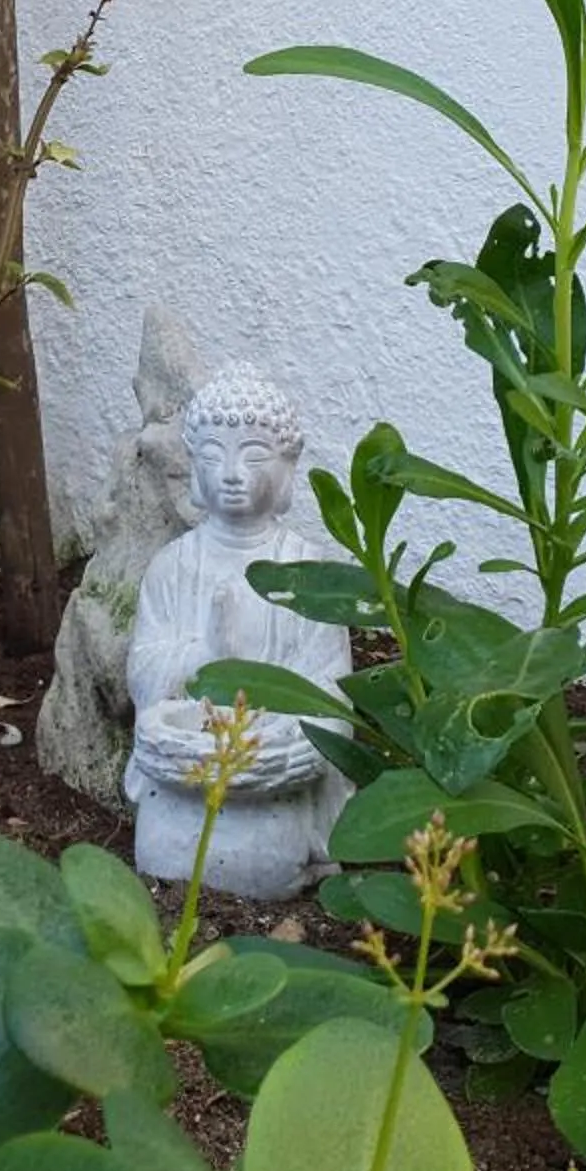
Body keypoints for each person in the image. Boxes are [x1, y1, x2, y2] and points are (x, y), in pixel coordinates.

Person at [121, 364, 353, 899]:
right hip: (186, 775)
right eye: (211, 456)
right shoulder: (172, 568)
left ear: (287, 466)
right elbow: (143, 675)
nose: (230, 472)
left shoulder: (308, 574)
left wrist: (295, 746)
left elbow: (333, 699)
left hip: (273, 774)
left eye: (252, 456)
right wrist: (205, 652)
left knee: (268, 850)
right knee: (164, 842)